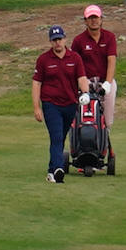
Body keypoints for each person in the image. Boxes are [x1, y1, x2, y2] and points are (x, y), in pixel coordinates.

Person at [32, 24, 89, 183]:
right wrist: (37, 107)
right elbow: (36, 83)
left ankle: (51, 171)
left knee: (60, 137)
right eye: (54, 40)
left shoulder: (75, 58)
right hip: (51, 104)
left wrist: (85, 93)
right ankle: (58, 169)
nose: (57, 42)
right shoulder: (44, 59)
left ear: (65, 39)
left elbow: (81, 78)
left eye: (60, 39)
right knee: (56, 136)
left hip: (70, 103)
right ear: (51, 42)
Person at [71, 3, 118, 127]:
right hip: (85, 81)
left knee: (107, 118)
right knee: (84, 114)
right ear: (85, 21)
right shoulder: (78, 40)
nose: (94, 21)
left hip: (105, 80)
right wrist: (82, 83)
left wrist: (107, 83)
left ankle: (104, 136)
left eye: (96, 17)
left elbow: (112, 60)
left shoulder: (109, 37)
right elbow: (75, 65)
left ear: (101, 19)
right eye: (90, 18)